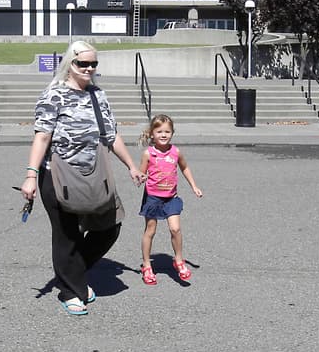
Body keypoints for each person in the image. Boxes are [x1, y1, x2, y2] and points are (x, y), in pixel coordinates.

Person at [20, 41, 144, 316]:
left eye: (93, 64)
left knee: (110, 226)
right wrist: (31, 175)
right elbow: (42, 136)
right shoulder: (54, 95)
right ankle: (70, 290)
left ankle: (73, 274)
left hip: (94, 174)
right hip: (57, 174)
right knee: (67, 235)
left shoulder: (98, 95)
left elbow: (111, 135)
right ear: (70, 64)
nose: (88, 69)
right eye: (82, 64)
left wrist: (131, 166)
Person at [136, 114, 203, 285]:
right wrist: (140, 178)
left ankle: (179, 260)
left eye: (167, 131)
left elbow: (185, 168)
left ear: (172, 133)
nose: (163, 135)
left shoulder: (176, 152)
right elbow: (141, 173)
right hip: (152, 197)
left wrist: (194, 186)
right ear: (152, 134)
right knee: (150, 231)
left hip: (171, 197)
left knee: (175, 229)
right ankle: (146, 265)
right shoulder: (148, 154)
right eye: (159, 132)